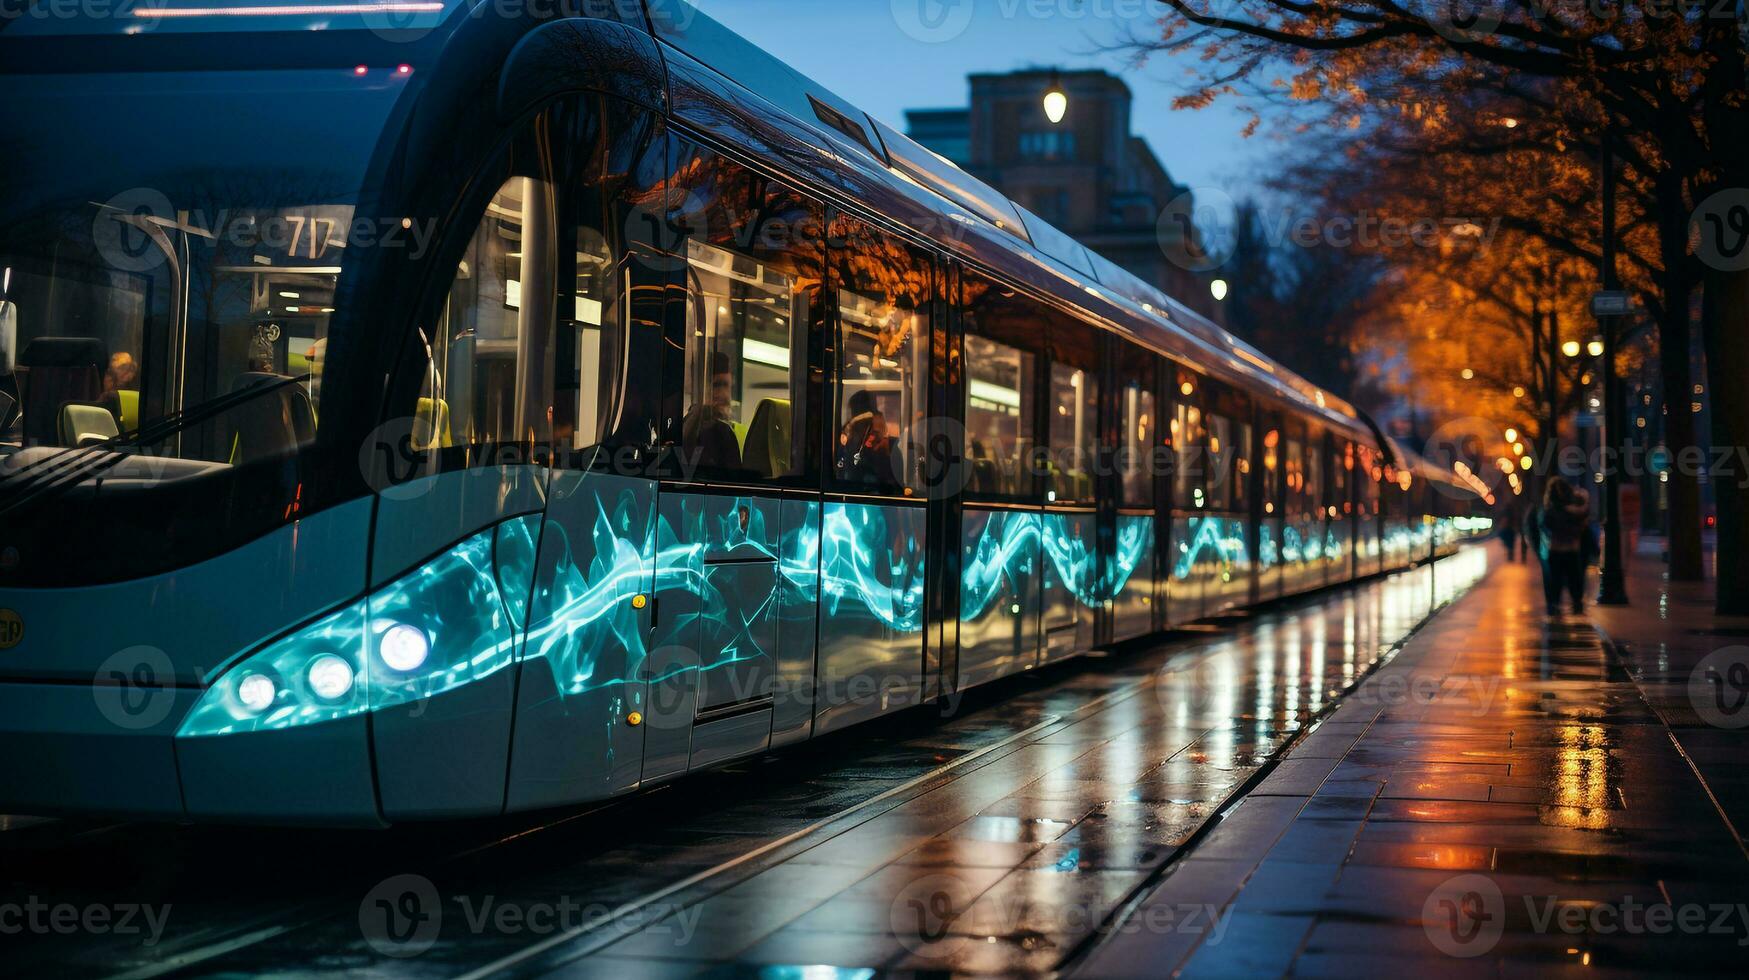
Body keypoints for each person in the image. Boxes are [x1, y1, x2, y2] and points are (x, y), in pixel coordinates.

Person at [1536, 477, 1591, 615]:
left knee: (1555, 580)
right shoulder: (1574, 509)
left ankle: (1554, 605)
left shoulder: (1550, 510)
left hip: (1555, 548)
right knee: (1575, 580)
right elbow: (1583, 520)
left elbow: (1544, 526)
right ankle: (1576, 604)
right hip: (1572, 548)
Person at [681, 350, 742, 472]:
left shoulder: (684, 425)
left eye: (726, 386)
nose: (724, 394)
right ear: (702, 388)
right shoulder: (719, 431)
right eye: (716, 385)